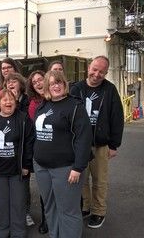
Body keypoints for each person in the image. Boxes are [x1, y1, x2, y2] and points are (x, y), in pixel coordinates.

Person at [33, 70, 92, 238]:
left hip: (66, 169)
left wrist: (78, 167)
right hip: (42, 167)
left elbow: (84, 139)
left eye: (58, 82)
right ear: (46, 87)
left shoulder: (74, 106)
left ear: (64, 84)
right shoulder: (43, 105)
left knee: (68, 210)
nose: (56, 86)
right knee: (50, 207)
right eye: (52, 84)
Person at [69, 56, 124, 229]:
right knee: (81, 179)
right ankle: (86, 207)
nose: (97, 74)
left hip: (100, 144)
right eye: (94, 69)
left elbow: (117, 118)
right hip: (79, 144)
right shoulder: (76, 88)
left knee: (99, 180)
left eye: (101, 71)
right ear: (88, 68)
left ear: (106, 73)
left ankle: (99, 211)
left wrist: (114, 145)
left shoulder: (110, 90)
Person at [0, 89, 34, 238]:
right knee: (1, 204)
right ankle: (1, 232)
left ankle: (18, 232)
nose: (8, 102)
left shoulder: (23, 119)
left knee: (18, 203)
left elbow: (30, 142)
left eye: (11, 99)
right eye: (4, 99)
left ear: (16, 102)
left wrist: (26, 165)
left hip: (18, 171)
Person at [25, 69, 48, 233]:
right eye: (35, 82)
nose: (38, 83)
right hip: (41, 150)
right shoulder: (33, 104)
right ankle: (46, 219)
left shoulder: (56, 98)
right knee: (45, 188)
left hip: (60, 152)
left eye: (41, 79)